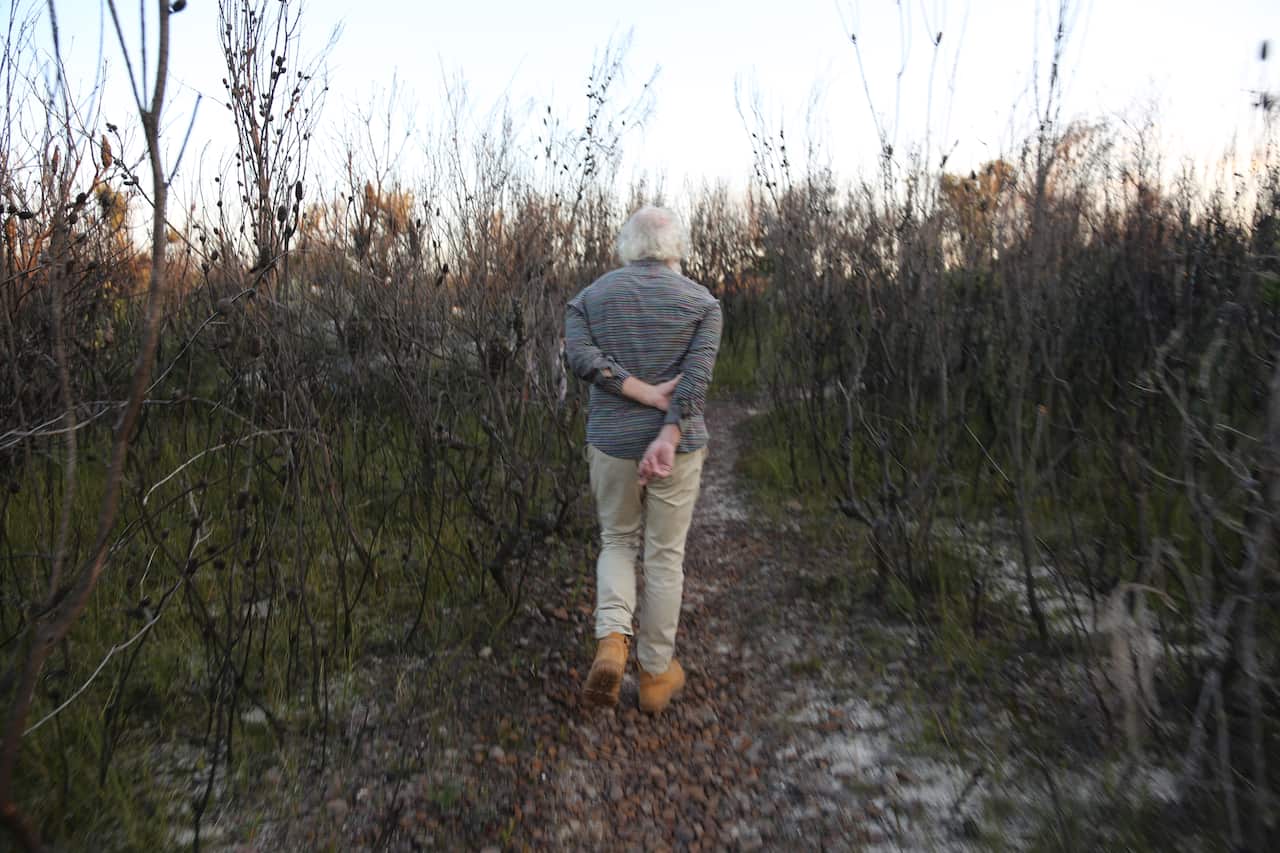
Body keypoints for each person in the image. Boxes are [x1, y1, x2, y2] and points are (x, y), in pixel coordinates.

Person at [564, 205, 722, 714]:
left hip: (611, 442)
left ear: (627, 244)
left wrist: (636, 392)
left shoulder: (589, 299)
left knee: (616, 539)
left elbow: (582, 360)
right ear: (676, 246)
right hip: (677, 448)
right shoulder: (703, 303)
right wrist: (667, 425)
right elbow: (694, 381)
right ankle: (655, 676)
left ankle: (612, 639)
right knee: (663, 557)